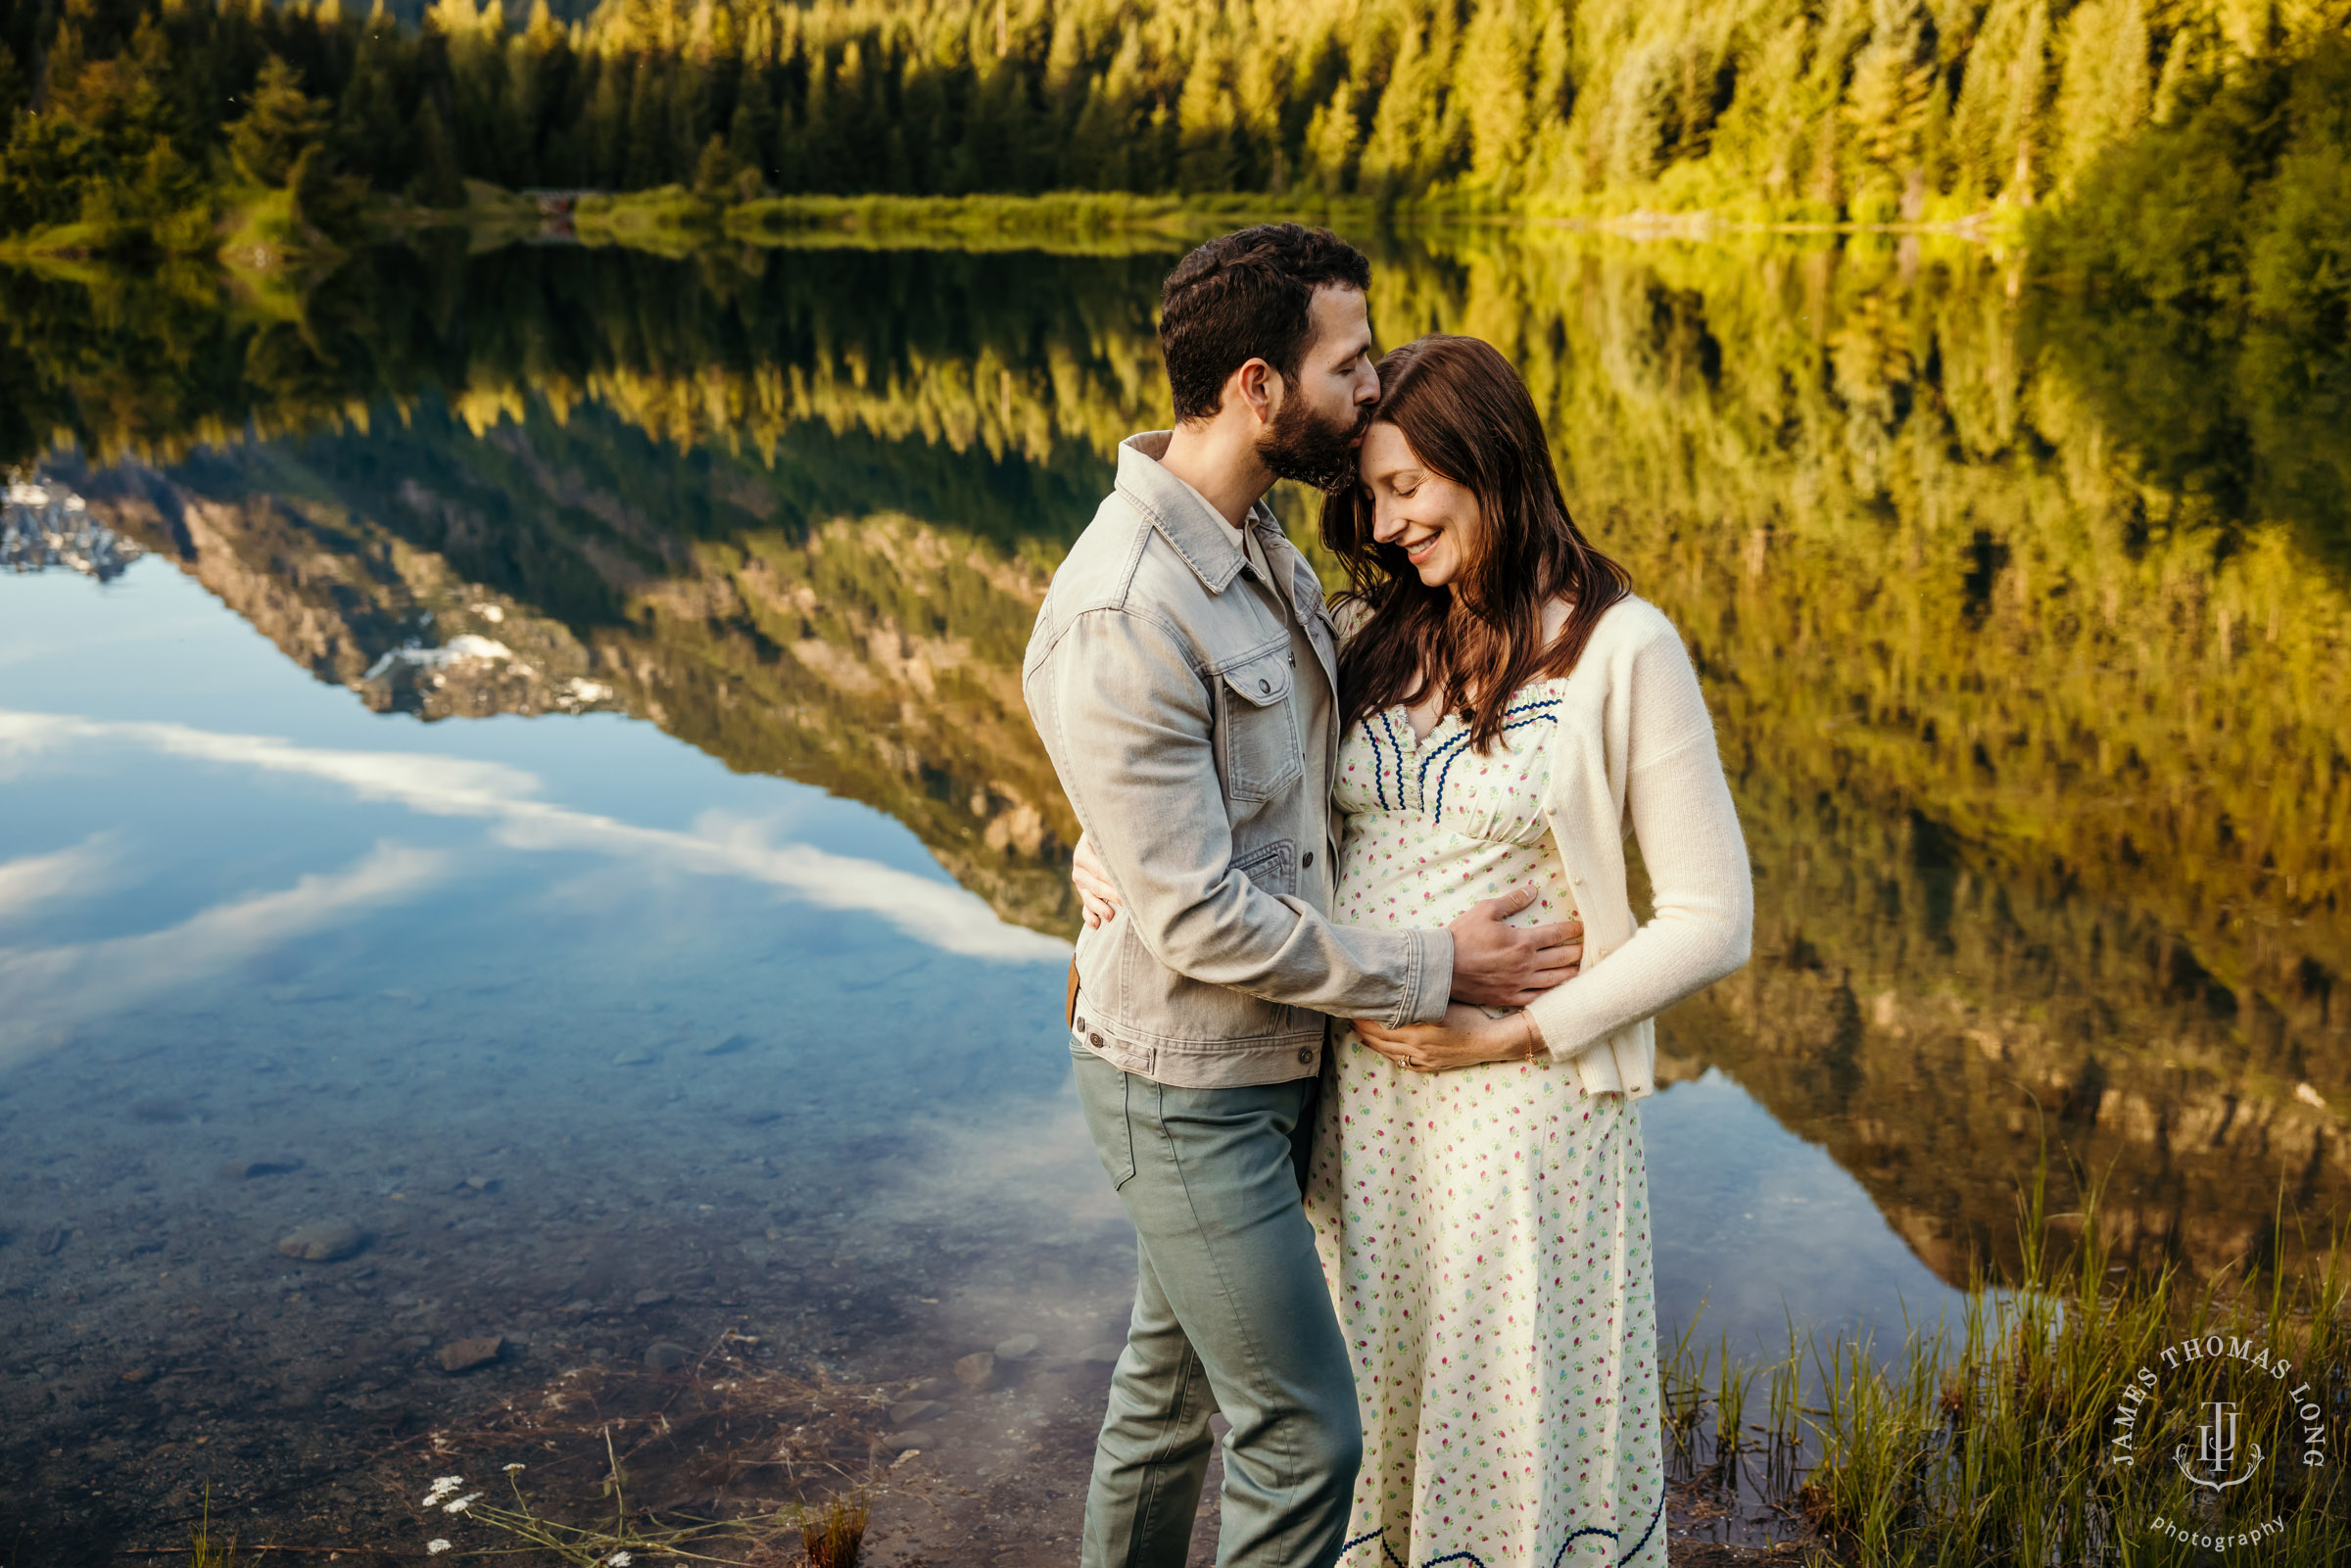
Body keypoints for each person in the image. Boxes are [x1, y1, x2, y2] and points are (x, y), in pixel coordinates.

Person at [1071, 334, 1753, 1567]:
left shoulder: (1620, 649)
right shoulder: (1364, 633)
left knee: (1501, 1431)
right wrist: (1101, 849)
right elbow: (1205, 765)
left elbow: (1713, 915)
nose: (1385, 527)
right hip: (1357, 1113)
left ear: (1490, 463)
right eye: (1372, 495)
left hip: (1519, 1118)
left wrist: (1515, 1028)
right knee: (1365, 1425)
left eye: (1406, 489)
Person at [1023, 230, 1584, 1568]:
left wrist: (1101, 846)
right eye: (1351, 364)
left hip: (1260, 1067)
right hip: (1188, 1089)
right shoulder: (1123, 605)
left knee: (1165, 1403)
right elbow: (1202, 915)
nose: (1375, 383)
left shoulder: (1248, 536)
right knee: (1304, 1438)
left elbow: (1224, 799)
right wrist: (1433, 963)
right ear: (1262, 389)